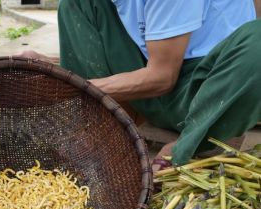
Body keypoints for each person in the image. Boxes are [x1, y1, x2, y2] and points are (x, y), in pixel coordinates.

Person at [20, 0, 261, 168]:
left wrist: (65, 85)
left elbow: (162, 77)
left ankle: (183, 150)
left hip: (203, 98)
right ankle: (100, 123)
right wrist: (54, 68)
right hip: (150, 83)